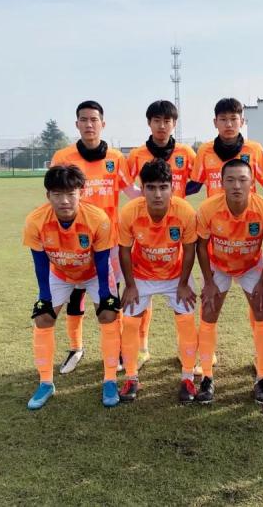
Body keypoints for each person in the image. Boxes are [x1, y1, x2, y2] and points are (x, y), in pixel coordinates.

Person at [22, 164, 121, 410]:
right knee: (43, 318)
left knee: (108, 314)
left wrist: (105, 295)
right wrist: (44, 297)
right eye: (57, 194)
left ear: (81, 192)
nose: (64, 201)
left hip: (94, 272)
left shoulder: (98, 219)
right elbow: (40, 264)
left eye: (70, 194)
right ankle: (46, 383)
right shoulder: (35, 220)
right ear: (48, 195)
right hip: (60, 273)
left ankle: (110, 379)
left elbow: (103, 261)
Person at [50, 101, 138, 375]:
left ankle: (118, 348)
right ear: (77, 124)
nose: (89, 124)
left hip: (108, 243)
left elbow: (131, 191)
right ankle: (75, 347)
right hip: (72, 241)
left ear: (103, 123)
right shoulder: (63, 156)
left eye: (94, 119)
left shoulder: (115, 158)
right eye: (84, 119)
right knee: (75, 296)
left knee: (110, 296)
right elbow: (54, 195)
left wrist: (161, 198)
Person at [195, 159, 263, 404]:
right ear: (221, 183)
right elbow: (201, 245)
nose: (237, 185)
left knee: (262, 311)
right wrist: (208, 282)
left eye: (242, 179)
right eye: (230, 180)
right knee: (208, 310)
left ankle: (262, 376)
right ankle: (207, 376)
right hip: (219, 264)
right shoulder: (208, 208)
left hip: (251, 265)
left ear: (252, 183)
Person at [118, 159, 198, 403]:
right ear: (142, 189)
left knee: (186, 319)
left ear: (172, 188)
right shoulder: (129, 212)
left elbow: (190, 249)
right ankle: (131, 377)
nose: (157, 194)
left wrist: (183, 284)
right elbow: (124, 250)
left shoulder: (185, 211)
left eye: (163, 187)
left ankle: (188, 377)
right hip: (141, 274)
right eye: (151, 187)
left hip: (175, 275)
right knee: (129, 321)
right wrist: (130, 286)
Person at [125, 100, 196, 370]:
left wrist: (178, 201)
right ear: (149, 123)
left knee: (178, 287)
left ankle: (185, 351)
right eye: (157, 120)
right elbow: (126, 182)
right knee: (143, 291)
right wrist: (141, 200)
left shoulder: (186, 152)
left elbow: (196, 181)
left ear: (174, 124)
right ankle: (141, 348)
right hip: (146, 222)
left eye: (167, 121)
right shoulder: (136, 154)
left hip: (177, 223)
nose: (162, 125)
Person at [188, 98, 263, 197]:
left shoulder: (254, 149)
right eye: (223, 119)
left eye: (233, 119)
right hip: (215, 207)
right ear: (215, 122)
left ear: (242, 122)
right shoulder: (205, 151)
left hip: (246, 207)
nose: (228, 125)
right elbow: (195, 185)